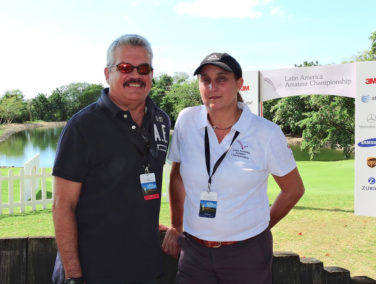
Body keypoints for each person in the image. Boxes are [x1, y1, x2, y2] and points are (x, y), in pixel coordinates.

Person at [162, 52, 305, 283]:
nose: (212, 86)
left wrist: (261, 227)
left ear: (239, 84)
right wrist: (176, 225)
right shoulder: (186, 120)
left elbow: (294, 190)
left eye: (221, 79)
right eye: (205, 80)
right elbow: (177, 175)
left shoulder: (266, 133)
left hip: (246, 255)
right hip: (194, 252)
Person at [52, 34, 170, 284]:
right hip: (92, 271)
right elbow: (63, 207)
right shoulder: (83, 126)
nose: (135, 75)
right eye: (125, 67)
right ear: (108, 73)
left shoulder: (161, 120)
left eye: (144, 68)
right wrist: (73, 276)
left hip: (145, 268)